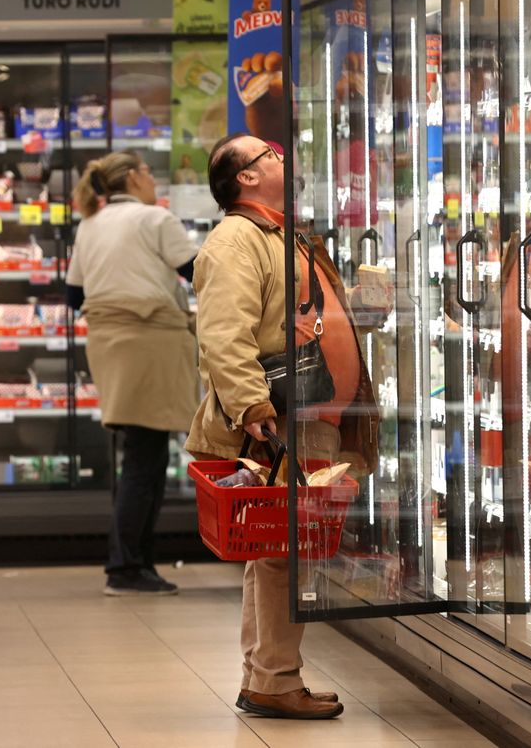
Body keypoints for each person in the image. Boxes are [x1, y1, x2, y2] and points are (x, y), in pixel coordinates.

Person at [186, 133, 379, 719]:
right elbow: (223, 336)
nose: (281, 158)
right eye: (268, 155)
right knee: (282, 553)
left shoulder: (283, 235)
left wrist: (363, 310)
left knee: (278, 553)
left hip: (315, 415)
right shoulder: (235, 241)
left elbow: (308, 321)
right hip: (281, 420)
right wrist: (257, 412)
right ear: (243, 177)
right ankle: (274, 679)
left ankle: (267, 675)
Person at [66, 152, 200, 596]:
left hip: (108, 344)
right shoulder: (154, 220)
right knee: (145, 459)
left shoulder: (90, 223)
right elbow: (197, 272)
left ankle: (136, 561)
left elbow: (73, 294)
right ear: (134, 177)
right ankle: (124, 567)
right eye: (147, 172)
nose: (152, 180)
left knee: (143, 454)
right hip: (151, 341)